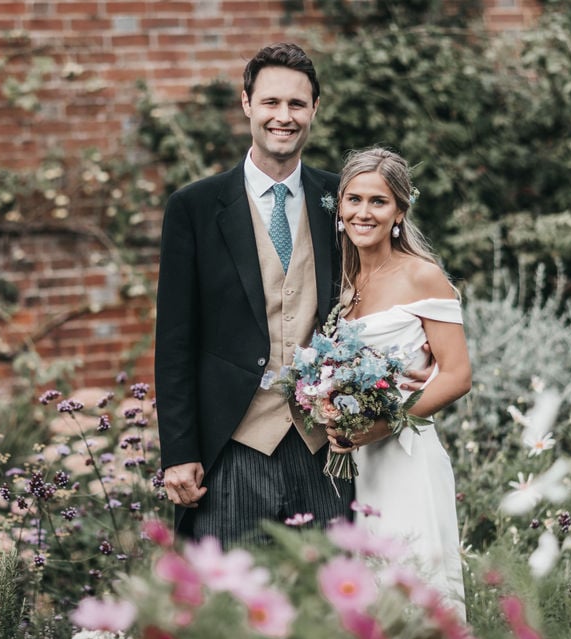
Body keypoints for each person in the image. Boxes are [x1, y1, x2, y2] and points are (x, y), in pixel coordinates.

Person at [154, 44, 427, 546]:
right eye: (271, 103)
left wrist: (413, 353)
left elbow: (384, 287)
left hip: (325, 449)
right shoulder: (193, 207)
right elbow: (174, 340)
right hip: (231, 446)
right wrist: (178, 451)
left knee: (328, 610)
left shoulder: (342, 201)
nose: (284, 117)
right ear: (247, 105)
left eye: (297, 105)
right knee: (230, 609)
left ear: (315, 110)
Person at [325, 147, 472, 639]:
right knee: (369, 605)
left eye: (378, 202)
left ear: (399, 212)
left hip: (406, 458)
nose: (363, 212)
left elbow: (455, 375)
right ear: (338, 207)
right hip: (354, 466)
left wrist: (383, 424)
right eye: (353, 199)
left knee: (415, 593)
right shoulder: (343, 281)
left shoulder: (421, 274)